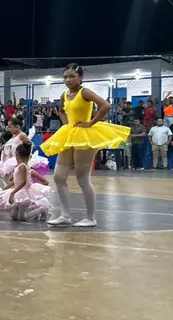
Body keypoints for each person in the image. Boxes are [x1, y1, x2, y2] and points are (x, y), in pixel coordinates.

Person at [41, 64, 130, 228]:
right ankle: (65, 215)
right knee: (59, 177)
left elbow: (105, 106)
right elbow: (61, 111)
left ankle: (90, 217)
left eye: (72, 76)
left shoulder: (85, 92)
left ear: (80, 78)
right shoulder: (64, 95)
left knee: (82, 177)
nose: (68, 80)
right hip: (70, 133)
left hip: (85, 135)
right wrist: (67, 124)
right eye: (65, 77)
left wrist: (90, 122)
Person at [0, 141, 52, 221]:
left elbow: (23, 182)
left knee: (22, 217)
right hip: (18, 191)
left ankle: (41, 209)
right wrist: (7, 188)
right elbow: (16, 180)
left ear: (17, 154)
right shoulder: (19, 166)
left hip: (23, 193)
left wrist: (12, 193)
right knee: (13, 215)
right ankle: (33, 208)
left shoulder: (22, 167)